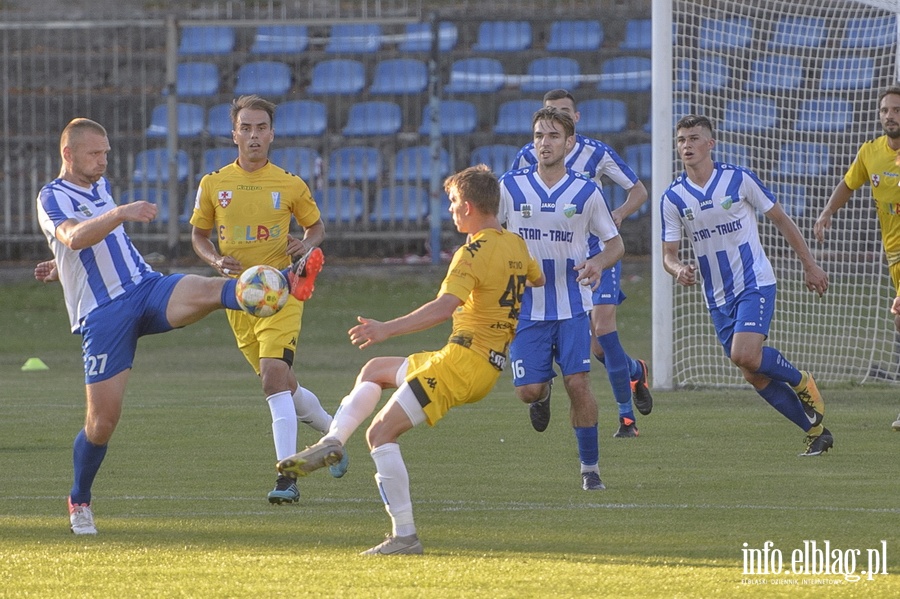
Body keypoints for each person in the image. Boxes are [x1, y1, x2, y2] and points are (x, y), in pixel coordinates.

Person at [275, 165, 544, 555]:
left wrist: (385, 328)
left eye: (453, 203)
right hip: (481, 361)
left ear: (468, 207)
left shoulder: (472, 253)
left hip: (463, 362)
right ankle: (333, 440)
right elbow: (535, 279)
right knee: (376, 370)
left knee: (380, 434)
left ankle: (404, 536)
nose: (451, 211)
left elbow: (442, 308)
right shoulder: (515, 245)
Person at [35, 118, 278, 535]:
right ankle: (79, 499)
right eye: (95, 154)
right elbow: (74, 238)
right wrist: (120, 214)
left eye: (107, 152)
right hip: (104, 314)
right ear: (68, 154)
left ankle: (266, 290)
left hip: (145, 287)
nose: (103, 160)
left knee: (209, 290)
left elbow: (100, 247)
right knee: (102, 422)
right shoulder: (51, 196)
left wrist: (63, 268)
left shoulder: (98, 186)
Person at [190, 94, 343, 505]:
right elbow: (199, 236)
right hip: (238, 299)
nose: (253, 135)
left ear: (272, 134)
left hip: (282, 292)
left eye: (261, 128)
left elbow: (316, 230)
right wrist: (215, 259)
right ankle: (333, 435)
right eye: (246, 128)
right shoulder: (214, 184)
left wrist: (303, 245)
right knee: (282, 385)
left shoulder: (290, 184)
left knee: (274, 379)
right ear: (234, 133)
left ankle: (287, 477)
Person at [661, 114, 833, 456]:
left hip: (755, 282)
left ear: (711, 143)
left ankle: (800, 380)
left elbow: (782, 220)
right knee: (750, 371)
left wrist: (810, 265)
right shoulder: (674, 198)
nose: (687, 145)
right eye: (681, 140)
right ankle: (816, 431)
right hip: (717, 296)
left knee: (745, 354)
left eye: (694, 138)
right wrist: (678, 269)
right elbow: (668, 254)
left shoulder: (738, 179)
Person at [511, 89, 652, 438]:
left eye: (561, 114)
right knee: (596, 347)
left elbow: (639, 191)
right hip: (546, 266)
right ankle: (633, 370)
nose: (550, 129)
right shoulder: (526, 158)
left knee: (602, 333)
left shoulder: (596, 152)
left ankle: (625, 418)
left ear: (574, 121)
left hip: (597, 253)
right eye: (546, 117)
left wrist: (616, 213)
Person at [499, 106, 625, 491]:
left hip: (573, 304)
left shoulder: (587, 191)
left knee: (579, 383)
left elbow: (615, 243)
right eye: (538, 135)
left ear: (569, 143)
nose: (544, 143)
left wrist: (598, 263)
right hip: (526, 308)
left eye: (553, 136)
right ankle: (542, 391)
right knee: (528, 392)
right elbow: (487, 233)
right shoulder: (510, 186)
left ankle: (590, 469)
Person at [813, 87, 900, 431]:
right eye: (885, 110)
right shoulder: (870, 152)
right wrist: (827, 212)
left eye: (896, 109)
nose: (889, 115)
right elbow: (849, 183)